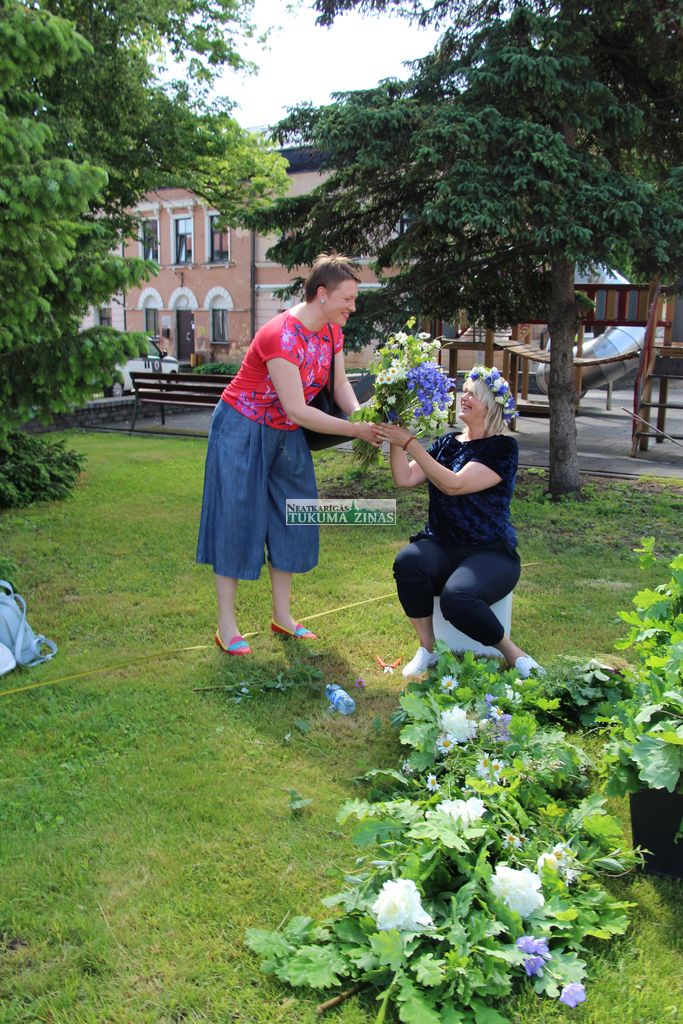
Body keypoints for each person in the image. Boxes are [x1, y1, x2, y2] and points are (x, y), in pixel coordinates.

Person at [196, 253, 379, 655]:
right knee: (237, 520)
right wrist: (355, 431)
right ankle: (227, 626)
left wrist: (362, 416)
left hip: (286, 433)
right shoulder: (281, 335)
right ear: (322, 294)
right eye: (347, 299)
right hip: (242, 428)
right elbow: (298, 409)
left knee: (293, 515)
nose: (352, 307)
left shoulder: (331, 332)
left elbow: (340, 385)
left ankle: (283, 617)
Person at [375, 365, 542, 678]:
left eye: (472, 394)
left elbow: (454, 484)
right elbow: (404, 478)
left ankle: (513, 654)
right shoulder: (447, 443)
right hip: (440, 544)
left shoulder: (503, 448)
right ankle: (428, 649)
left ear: (489, 406)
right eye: (463, 391)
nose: (463, 397)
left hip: (489, 551)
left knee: (457, 599)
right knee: (408, 562)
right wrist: (396, 437)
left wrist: (410, 443)